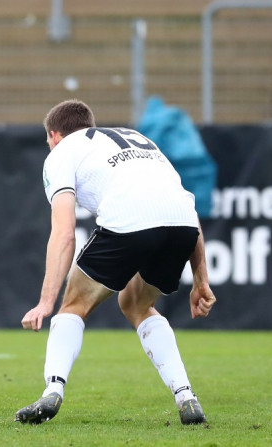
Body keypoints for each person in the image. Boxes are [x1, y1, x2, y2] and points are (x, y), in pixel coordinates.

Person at [14, 99, 216, 425]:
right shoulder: (140, 140)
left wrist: (45, 302)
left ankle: (52, 391)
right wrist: (201, 281)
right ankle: (186, 396)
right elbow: (184, 208)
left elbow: (64, 234)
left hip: (130, 219)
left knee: (73, 306)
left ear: (54, 136)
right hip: (183, 226)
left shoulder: (61, 153)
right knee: (136, 304)